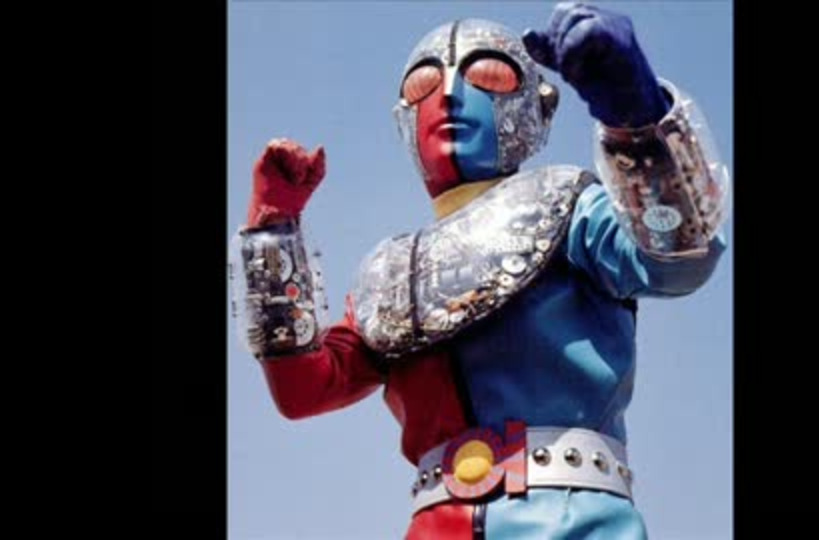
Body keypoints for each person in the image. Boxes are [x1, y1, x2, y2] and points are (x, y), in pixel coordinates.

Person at [231, 2, 729, 538]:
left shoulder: (571, 204)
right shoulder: (387, 274)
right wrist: (272, 233)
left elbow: (679, 256)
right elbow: (305, 389)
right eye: (423, 84)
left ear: (536, 107)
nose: (448, 94)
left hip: (575, 520)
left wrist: (637, 117)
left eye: (489, 74)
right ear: (403, 120)